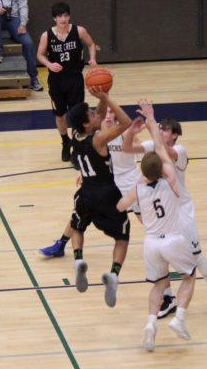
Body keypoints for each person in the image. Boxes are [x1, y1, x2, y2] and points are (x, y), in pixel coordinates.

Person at [123, 117, 207, 319]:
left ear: (175, 135)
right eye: (159, 128)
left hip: (181, 210)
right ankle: (169, 298)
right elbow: (127, 148)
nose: (161, 132)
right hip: (159, 208)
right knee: (162, 256)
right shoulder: (153, 145)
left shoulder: (179, 151)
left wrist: (152, 124)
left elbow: (166, 152)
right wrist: (132, 131)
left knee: (195, 255)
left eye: (165, 129)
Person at [117, 99, 196, 350]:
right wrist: (150, 119)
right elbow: (162, 154)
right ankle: (179, 318)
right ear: (162, 169)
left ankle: (151, 324)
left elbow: (120, 206)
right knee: (189, 277)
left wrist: (135, 190)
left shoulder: (139, 189)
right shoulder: (170, 179)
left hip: (150, 244)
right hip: (173, 237)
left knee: (159, 285)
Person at [38, 107, 144, 259]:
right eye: (105, 113)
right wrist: (84, 172)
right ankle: (61, 244)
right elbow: (91, 156)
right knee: (79, 211)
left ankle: (166, 238)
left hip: (129, 179)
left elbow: (144, 148)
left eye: (111, 112)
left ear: (116, 116)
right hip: (107, 181)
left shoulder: (124, 132)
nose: (108, 116)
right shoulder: (96, 135)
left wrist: (136, 134)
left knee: (145, 215)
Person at [64, 87, 132, 307]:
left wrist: (101, 97)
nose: (97, 114)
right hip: (107, 194)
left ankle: (78, 259)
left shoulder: (76, 136)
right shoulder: (99, 140)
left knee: (77, 226)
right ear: (86, 123)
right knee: (122, 237)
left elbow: (99, 116)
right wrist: (108, 98)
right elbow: (126, 122)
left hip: (86, 193)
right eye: (92, 114)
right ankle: (113, 274)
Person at [36, 1, 97, 161]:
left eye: (65, 15)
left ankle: (77, 148)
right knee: (60, 115)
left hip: (75, 78)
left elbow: (91, 44)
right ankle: (65, 142)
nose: (63, 18)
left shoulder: (79, 30)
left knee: (77, 114)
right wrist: (49, 64)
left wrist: (92, 59)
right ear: (54, 19)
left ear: (69, 16)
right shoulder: (46, 35)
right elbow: (40, 55)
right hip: (56, 81)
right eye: (59, 16)